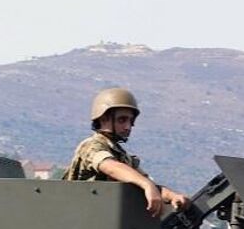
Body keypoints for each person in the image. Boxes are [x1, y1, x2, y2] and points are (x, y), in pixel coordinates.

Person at [64, 87, 192, 217]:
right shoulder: (91, 146)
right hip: (79, 218)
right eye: (122, 120)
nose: (128, 126)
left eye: (131, 121)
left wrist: (172, 196)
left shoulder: (122, 156)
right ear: (103, 119)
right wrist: (146, 185)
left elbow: (147, 184)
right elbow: (110, 166)